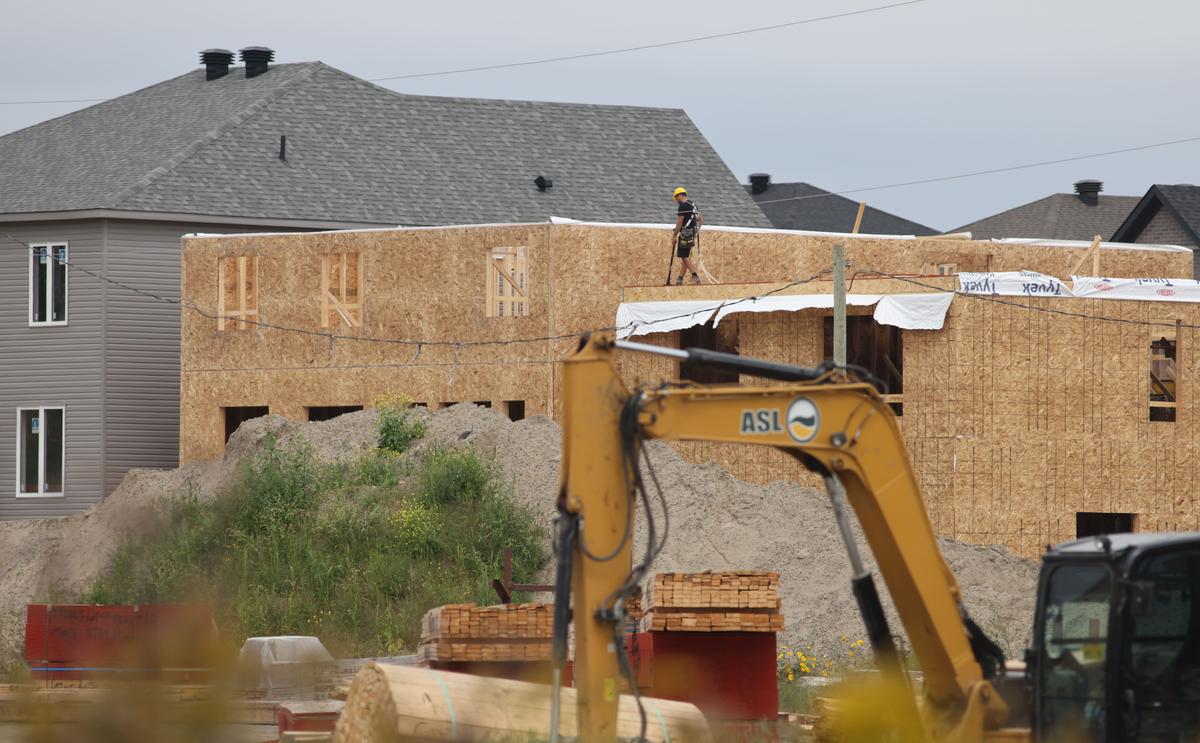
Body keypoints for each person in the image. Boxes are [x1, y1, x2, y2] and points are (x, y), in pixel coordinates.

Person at [671, 187, 703, 285]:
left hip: (685, 233)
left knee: (683, 255)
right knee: (685, 256)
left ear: (679, 195)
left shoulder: (683, 206)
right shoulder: (693, 205)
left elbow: (679, 223)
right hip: (692, 233)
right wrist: (695, 232)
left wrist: (674, 236)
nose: (676, 201)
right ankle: (680, 278)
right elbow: (701, 220)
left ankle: (695, 276)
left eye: (676, 198)